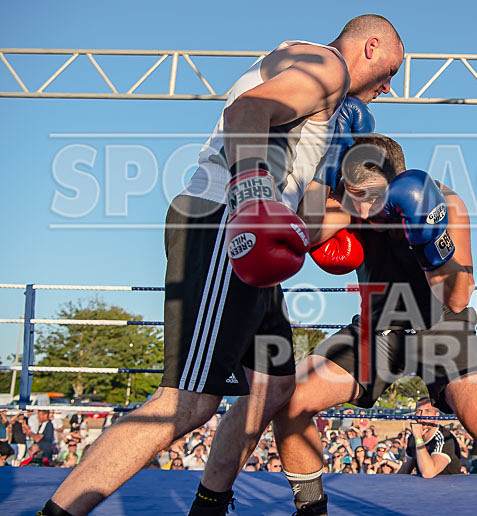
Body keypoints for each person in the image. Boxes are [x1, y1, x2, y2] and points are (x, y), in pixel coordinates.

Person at [39, 14, 402, 516]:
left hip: (250, 235)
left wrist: (357, 206)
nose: (389, 87)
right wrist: (252, 195)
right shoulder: (328, 66)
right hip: (224, 221)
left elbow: (309, 221)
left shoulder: (329, 112)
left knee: (273, 387)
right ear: (372, 46)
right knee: (185, 402)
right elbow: (247, 111)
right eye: (391, 72)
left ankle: (209, 505)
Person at [272, 135, 477, 516]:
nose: (363, 210)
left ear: (397, 181)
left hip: (442, 328)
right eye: (353, 196)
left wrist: (429, 239)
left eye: (370, 196)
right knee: (289, 401)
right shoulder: (351, 203)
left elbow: (457, 298)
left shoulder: (446, 204)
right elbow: (304, 232)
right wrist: (325, 174)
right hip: (378, 329)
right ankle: (311, 511)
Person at [396, 398, 461, 477]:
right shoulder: (412, 437)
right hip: (422, 487)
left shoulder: (445, 438)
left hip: (448, 487)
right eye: (419, 411)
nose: (422, 415)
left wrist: (418, 437)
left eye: (427, 411)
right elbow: (405, 469)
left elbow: (428, 473)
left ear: (436, 416)